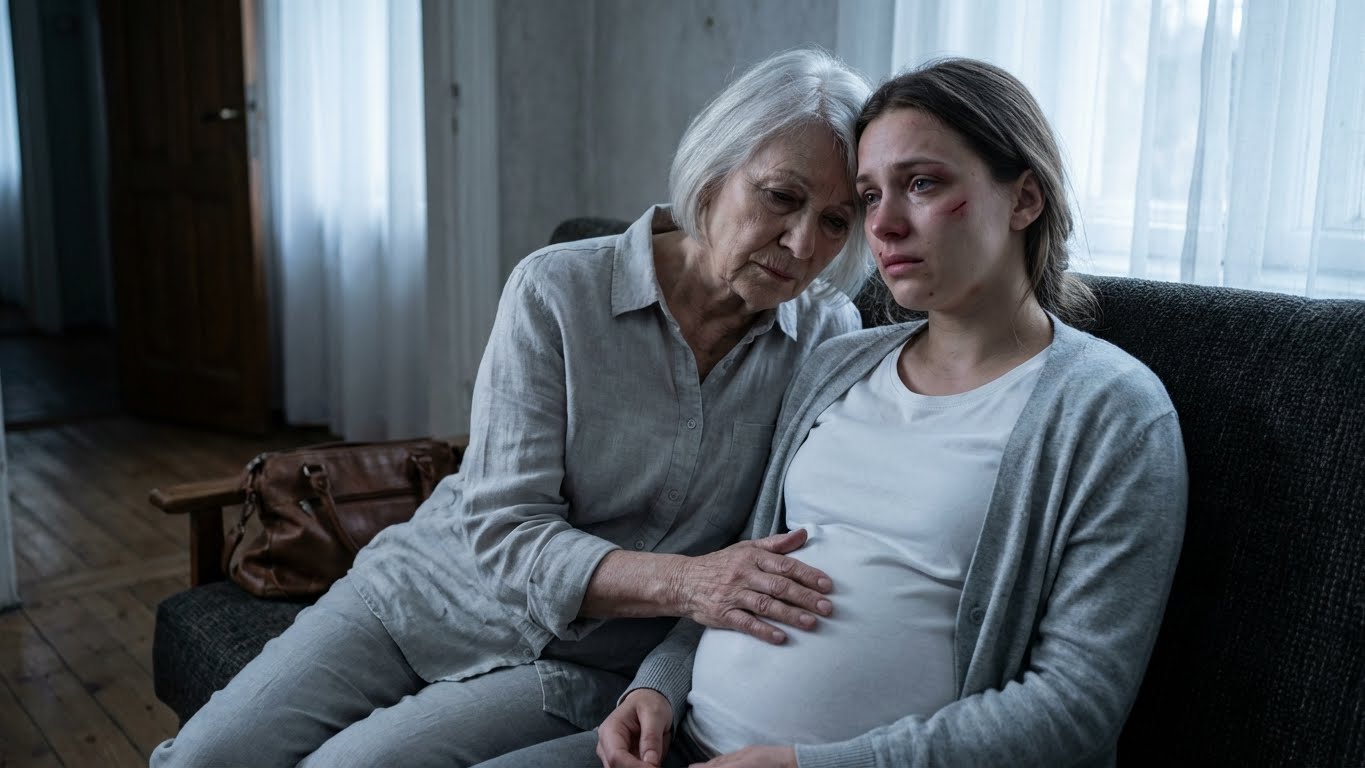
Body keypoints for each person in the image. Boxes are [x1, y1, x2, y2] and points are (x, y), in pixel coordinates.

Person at [149, 48, 872, 768]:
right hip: (423, 593)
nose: (802, 244)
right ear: (714, 173)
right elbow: (505, 527)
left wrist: (660, 680)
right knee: (204, 758)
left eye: (836, 221)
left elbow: (760, 556)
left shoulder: (825, 339)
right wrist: (689, 582)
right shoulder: (557, 290)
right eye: (781, 196)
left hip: (589, 658)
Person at [478, 57, 1188, 768]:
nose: (883, 225)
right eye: (870, 196)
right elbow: (747, 571)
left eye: (921, 184)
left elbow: (1075, 708)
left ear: (1024, 198)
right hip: (675, 741)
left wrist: (802, 766)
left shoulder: (1109, 412)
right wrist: (657, 688)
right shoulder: (836, 367)